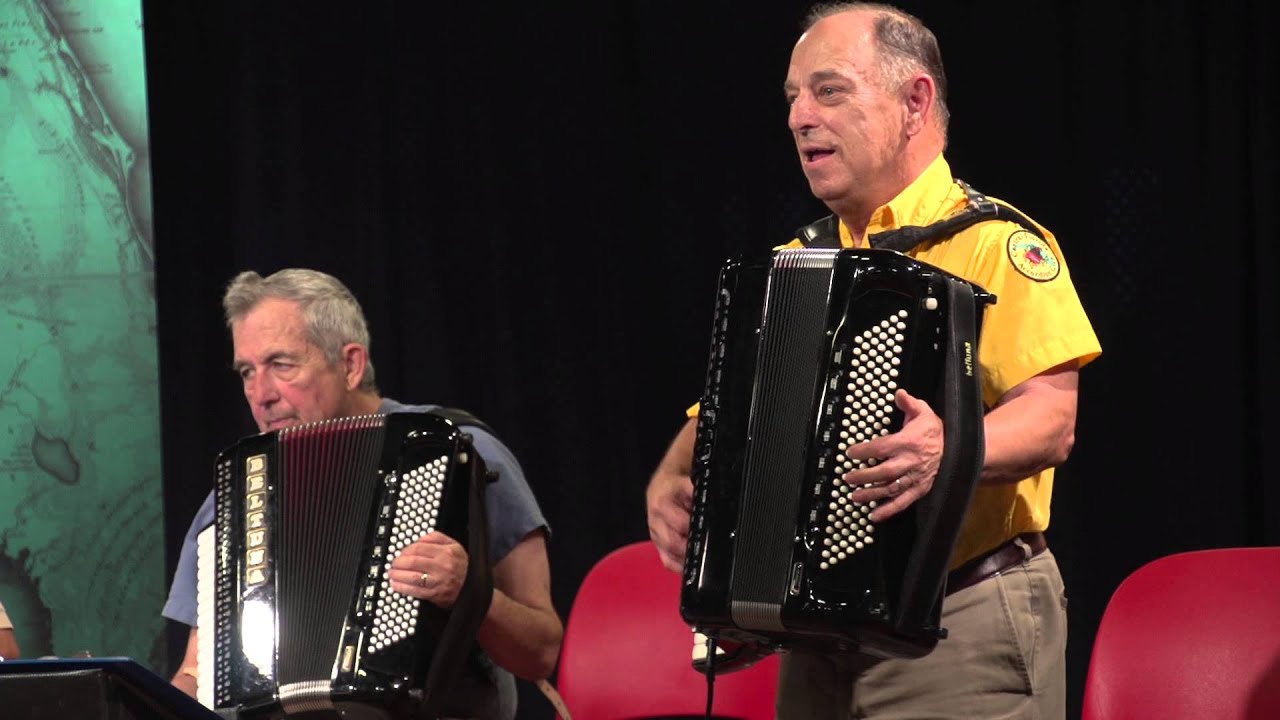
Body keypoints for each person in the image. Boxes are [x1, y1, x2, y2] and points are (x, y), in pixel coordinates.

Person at [646, 3, 1101, 718]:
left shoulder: (997, 243)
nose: (800, 117)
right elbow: (727, 412)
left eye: (828, 90)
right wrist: (673, 478)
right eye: (793, 97)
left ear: (914, 101)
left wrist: (946, 451)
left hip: (964, 621)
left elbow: (1051, 419)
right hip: (813, 636)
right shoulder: (797, 262)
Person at [163, 269, 562, 720]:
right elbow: (197, 673)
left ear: (350, 364)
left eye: (281, 365)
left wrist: (470, 593)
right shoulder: (236, 493)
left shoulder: (462, 453)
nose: (260, 394)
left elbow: (541, 651)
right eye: (246, 372)